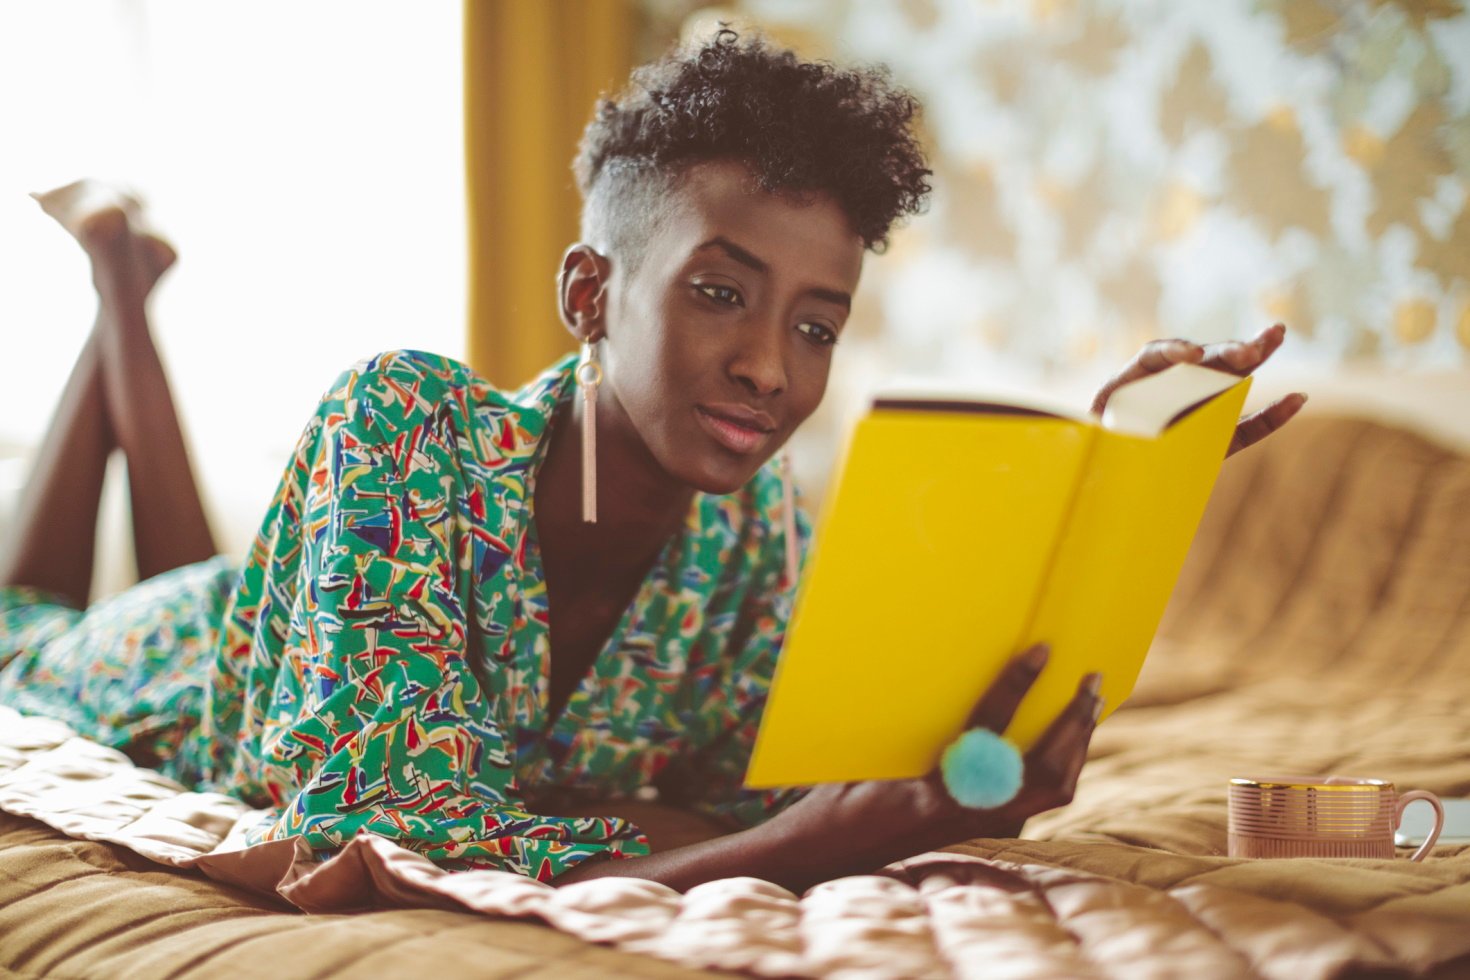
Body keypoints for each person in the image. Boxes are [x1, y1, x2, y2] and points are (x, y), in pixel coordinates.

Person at [0, 30, 1303, 891]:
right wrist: (775, 853)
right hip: (175, 673)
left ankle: (120, 265)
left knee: (203, 578)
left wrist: (1093, 502)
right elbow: (373, 833)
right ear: (587, 292)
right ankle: (119, 277)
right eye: (719, 293)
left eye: (814, 324)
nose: (770, 368)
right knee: (28, 635)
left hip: (268, 630)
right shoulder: (399, 422)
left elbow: (761, 789)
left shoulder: (753, 530)